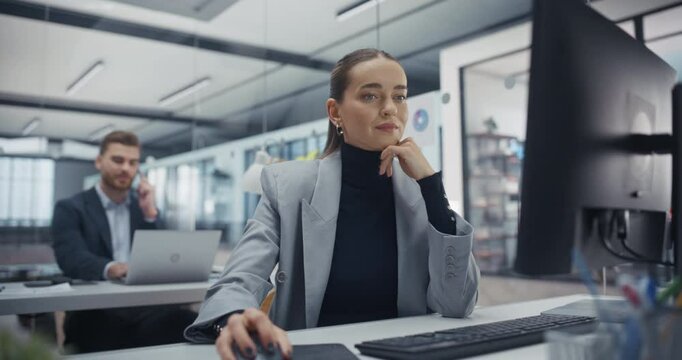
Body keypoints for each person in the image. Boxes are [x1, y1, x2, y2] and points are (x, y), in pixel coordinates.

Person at [184, 48, 480, 360]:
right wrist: (232, 318)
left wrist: (432, 188)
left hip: (402, 354)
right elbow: (239, 279)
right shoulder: (286, 187)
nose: (391, 109)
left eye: (400, 96)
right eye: (370, 96)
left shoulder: (420, 194)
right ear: (335, 112)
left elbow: (457, 305)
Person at [51, 131, 196, 353]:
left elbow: (165, 257)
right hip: (95, 312)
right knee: (100, 330)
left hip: (144, 309)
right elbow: (70, 256)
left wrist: (150, 213)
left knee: (190, 321)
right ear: (99, 162)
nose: (126, 168)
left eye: (133, 162)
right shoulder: (70, 208)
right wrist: (112, 268)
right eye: (118, 160)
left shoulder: (144, 208)